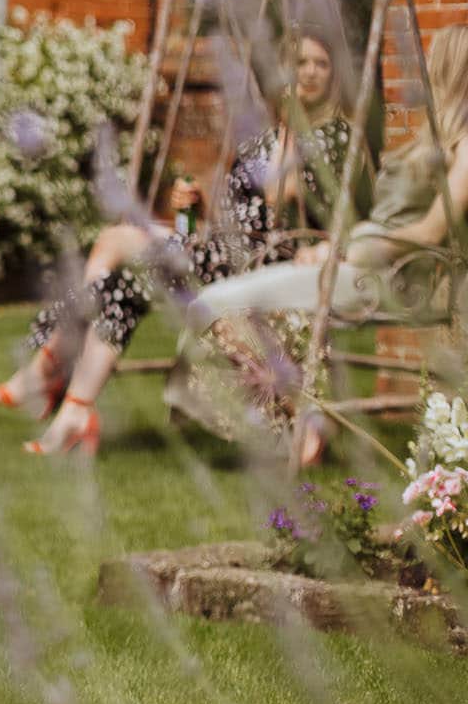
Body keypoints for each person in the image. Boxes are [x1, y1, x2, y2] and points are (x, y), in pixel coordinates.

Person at [0, 30, 364, 457]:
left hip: (268, 264)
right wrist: (199, 203)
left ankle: (53, 366)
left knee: (128, 256)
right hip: (227, 251)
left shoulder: (334, 137)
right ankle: (75, 406)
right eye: (300, 63)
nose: (310, 72)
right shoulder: (260, 141)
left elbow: (294, 200)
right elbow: (238, 211)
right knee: (124, 272)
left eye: (321, 64)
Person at [168, 25, 468, 453]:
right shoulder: (435, 138)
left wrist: (340, 250)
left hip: (381, 273)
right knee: (225, 304)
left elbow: (429, 231)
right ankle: (303, 418)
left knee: (218, 302)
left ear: (447, 69)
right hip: (357, 259)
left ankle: (299, 419)